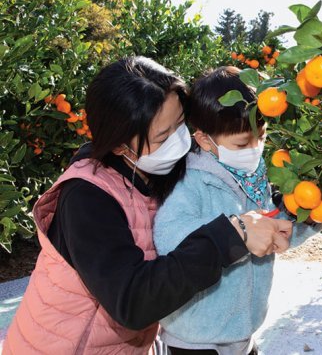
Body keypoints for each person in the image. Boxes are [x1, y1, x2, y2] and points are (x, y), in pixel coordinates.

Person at [3, 57, 292, 355]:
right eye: (163, 136)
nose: (179, 141)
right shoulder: (86, 198)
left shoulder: (161, 170)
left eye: (180, 124)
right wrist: (230, 238)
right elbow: (132, 300)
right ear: (119, 145)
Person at [153, 66, 322, 355]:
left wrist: (311, 215)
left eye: (262, 136)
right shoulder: (192, 181)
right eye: (243, 143)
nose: (255, 149)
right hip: (195, 341)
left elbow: (273, 231)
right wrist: (236, 231)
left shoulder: (253, 177)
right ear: (205, 139)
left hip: (243, 334)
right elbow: (168, 236)